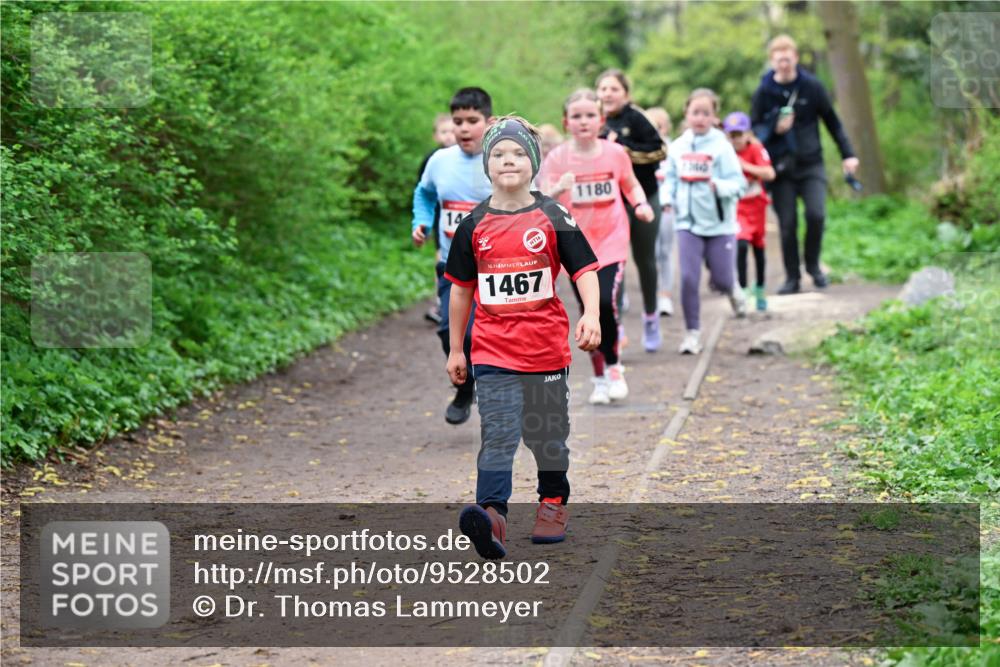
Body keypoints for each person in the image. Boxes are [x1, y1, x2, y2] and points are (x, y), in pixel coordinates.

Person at [445, 116, 601, 559]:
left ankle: (553, 502)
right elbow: (461, 290)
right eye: (497, 154)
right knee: (497, 433)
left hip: (545, 348)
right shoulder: (474, 225)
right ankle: (492, 516)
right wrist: (457, 347)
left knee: (546, 435)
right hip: (492, 347)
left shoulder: (552, 214)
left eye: (516, 154)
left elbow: (585, 269)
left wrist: (591, 314)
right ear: (487, 164)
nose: (507, 161)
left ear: (532, 162)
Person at [538, 89, 654, 405]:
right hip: (575, 245)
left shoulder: (615, 153)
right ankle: (599, 377)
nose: (584, 121)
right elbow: (540, 199)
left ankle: (614, 367)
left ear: (601, 120)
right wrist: (557, 188)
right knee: (589, 312)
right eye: (576, 116)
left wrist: (641, 203)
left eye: (590, 115)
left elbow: (629, 183)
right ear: (566, 122)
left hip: (612, 240)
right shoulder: (557, 157)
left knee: (603, 303)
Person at [750, 34, 860, 294]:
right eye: (779, 60)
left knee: (816, 214)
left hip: (811, 163)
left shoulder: (812, 87)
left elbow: (832, 122)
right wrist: (775, 127)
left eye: (788, 59)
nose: (784, 64)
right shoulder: (763, 91)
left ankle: (813, 266)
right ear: (772, 61)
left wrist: (848, 154)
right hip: (781, 168)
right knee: (787, 225)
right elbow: (754, 128)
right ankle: (792, 277)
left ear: (796, 58)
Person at [412, 87, 493, 425]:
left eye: (472, 121)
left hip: (495, 271)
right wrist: (422, 221)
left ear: (488, 123)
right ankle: (464, 386)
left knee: (487, 336)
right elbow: (424, 193)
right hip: (452, 268)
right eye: (458, 121)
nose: (463, 128)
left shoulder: (501, 159)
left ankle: (498, 400)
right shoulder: (440, 161)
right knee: (450, 332)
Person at [663, 89, 748, 355]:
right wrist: (667, 198)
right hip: (687, 223)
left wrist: (719, 186)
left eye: (706, 113)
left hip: (719, 224)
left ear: (715, 117)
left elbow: (739, 183)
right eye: (695, 113)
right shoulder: (677, 147)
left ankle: (733, 289)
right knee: (689, 278)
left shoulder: (722, 147)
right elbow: (670, 179)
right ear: (686, 115)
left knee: (721, 280)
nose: (700, 118)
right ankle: (692, 334)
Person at [596, 69, 666, 352]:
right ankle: (617, 327)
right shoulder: (594, 121)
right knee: (615, 264)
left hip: (645, 197)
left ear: (625, 93)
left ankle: (651, 316)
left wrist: (622, 149)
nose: (608, 94)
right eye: (603, 89)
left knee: (645, 260)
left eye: (614, 89)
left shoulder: (636, 118)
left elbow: (660, 151)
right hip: (613, 202)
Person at [724, 111, 775, 312]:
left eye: (739, 134)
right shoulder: (725, 152)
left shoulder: (756, 149)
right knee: (741, 243)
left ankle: (761, 288)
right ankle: (743, 289)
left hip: (757, 206)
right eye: (732, 135)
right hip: (738, 208)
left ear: (747, 133)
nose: (736, 139)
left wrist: (744, 166)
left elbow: (770, 173)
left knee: (758, 247)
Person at [418, 113, 457, 325]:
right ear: (436, 136)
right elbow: (423, 192)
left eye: (452, 131)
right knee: (441, 260)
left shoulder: (471, 157)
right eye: (444, 132)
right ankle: (442, 302)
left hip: (468, 220)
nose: (449, 136)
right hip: (442, 220)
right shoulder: (432, 160)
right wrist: (423, 223)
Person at [644, 106, 676, 318]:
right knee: (649, 253)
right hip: (647, 208)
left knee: (664, 252)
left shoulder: (673, 149)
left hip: (666, 208)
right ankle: (652, 295)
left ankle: (665, 295)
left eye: (658, 127)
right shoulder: (640, 150)